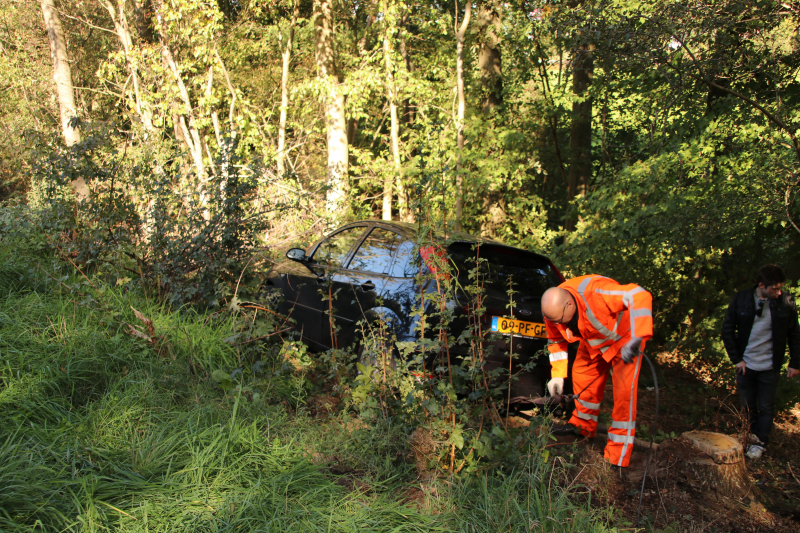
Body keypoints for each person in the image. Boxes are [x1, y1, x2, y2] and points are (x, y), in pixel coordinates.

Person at [542, 275, 653, 468]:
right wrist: (557, 374)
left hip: (626, 340)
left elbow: (639, 294)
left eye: (560, 320)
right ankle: (582, 428)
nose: (558, 325)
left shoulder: (597, 292)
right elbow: (556, 341)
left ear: (569, 305)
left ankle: (617, 455)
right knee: (582, 376)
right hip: (594, 341)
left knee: (624, 395)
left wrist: (637, 337)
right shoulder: (553, 310)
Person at [721, 264, 800, 459]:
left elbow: (794, 334)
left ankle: (760, 443)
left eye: (781, 288)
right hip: (746, 365)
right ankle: (748, 439)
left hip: (770, 366)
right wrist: (737, 359)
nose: (778, 292)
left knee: (766, 407)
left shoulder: (786, 301)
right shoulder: (742, 299)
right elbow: (727, 330)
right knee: (747, 407)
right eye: (775, 288)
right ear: (762, 285)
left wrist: (795, 362)